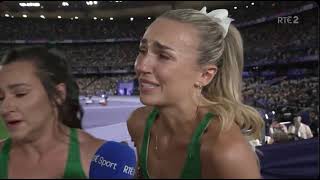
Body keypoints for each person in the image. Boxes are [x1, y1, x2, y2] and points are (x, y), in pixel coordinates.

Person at [127, 7, 264, 179]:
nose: (141, 66)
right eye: (142, 50)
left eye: (163, 55)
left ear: (205, 75)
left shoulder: (225, 150)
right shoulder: (138, 123)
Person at [0, 46, 105, 178]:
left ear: (58, 95)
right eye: (0, 98)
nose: (4, 108)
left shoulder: (98, 157)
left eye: (20, 94)